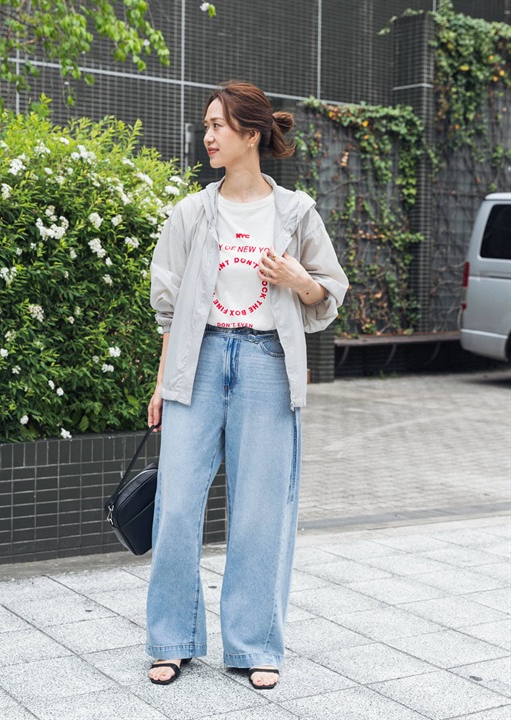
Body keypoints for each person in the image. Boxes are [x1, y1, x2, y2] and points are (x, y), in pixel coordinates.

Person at [146, 80, 348, 690]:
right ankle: (172, 640)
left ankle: (255, 644)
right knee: (176, 505)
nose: (207, 137)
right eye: (207, 125)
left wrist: (296, 278)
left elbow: (328, 293)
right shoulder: (192, 212)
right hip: (199, 362)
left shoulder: (295, 212)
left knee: (262, 511)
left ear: (251, 134)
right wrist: (161, 384)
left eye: (218, 126)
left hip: (265, 363)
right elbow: (169, 309)